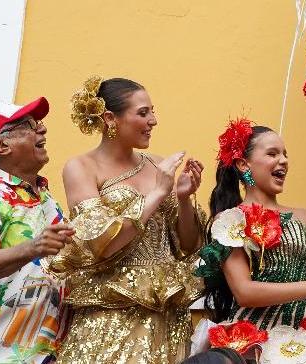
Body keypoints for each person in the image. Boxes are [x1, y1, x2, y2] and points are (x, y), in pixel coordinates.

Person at [44, 76, 206, 363]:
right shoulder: (81, 167)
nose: (153, 120)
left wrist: (183, 199)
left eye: (153, 111)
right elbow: (101, 243)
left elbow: (188, 246)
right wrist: (158, 192)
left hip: (166, 314)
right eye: (143, 113)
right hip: (111, 315)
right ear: (110, 118)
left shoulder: (157, 164)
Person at [194, 118, 306, 332]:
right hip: (254, 340)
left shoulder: (303, 217)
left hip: (303, 339)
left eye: (285, 154)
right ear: (243, 164)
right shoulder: (229, 221)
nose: (284, 160)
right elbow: (244, 293)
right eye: (272, 154)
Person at [0, 98, 73, 363]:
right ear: (1, 145)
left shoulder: (46, 199)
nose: (42, 129)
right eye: (28, 126)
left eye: (39, 123)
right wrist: (33, 247)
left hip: (49, 353)